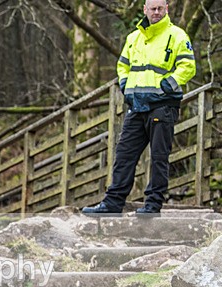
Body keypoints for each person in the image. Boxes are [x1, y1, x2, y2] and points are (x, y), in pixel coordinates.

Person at [83, 0, 195, 217]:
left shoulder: (177, 35)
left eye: (160, 8)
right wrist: (125, 84)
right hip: (136, 106)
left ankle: (153, 205)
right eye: (152, 8)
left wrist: (166, 85)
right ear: (144, 10)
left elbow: (188, 66)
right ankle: (113, 203)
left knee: (159, 157)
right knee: (124, 154)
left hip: (162, 106)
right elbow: (123, 65)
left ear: (166, 9)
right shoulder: (134, 38)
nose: (156, 12)